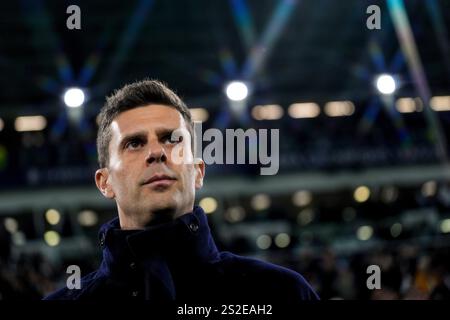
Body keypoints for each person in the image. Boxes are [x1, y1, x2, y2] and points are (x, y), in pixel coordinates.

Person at [45, 79, 319, 301]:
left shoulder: (281, 292)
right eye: (134, 143)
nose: (156, 152)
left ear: (198, 172)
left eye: (172, 139)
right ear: (105, 182)